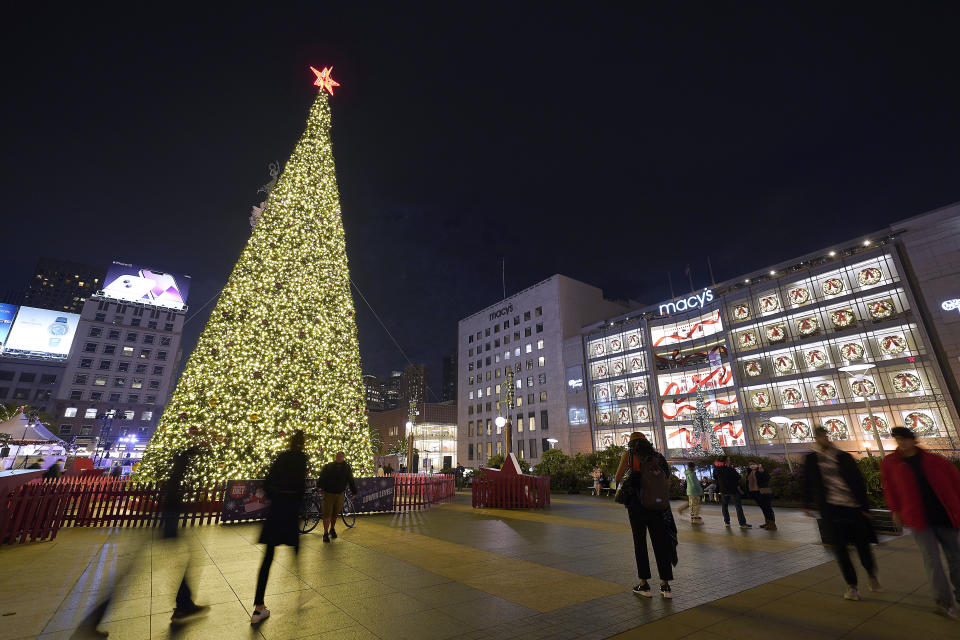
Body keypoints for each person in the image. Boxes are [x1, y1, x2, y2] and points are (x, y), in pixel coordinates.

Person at [881, 426, 960, 618]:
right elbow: (890, 488)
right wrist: (895, 510)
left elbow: (955, 482)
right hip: (918, 519)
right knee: (932, 560)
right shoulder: (890, 462)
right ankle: (943, 602)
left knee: (956, 558)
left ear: (914, 440)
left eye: (905, 439)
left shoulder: (934, 460)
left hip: (945, 516)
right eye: (898, 439)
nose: (901, 443)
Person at [803, 427, 880, 601]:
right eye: (820, 436)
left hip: (852, 508)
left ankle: (871, 573)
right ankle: (852, 586)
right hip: (830, 510)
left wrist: (865, 508)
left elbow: (859, 482)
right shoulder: (811, 459)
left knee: (862, 546)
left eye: (825, 436)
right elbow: (807, 481)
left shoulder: (843, 457)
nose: (823, 439)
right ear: (816, 439)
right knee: (840, 550)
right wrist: (806, 503)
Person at [251, 430, 308, 625]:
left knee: (267, 558)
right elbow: (301, 488)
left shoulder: (281, 457)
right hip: (290, 511)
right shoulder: (301, 459)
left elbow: (267, 483)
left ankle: (258, 608)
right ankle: (301, 590)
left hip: (276, 512)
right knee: (295, 551)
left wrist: (276, 498)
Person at [615, 432, 678, 598]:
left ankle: (644, 585)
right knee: (661, 543)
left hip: (636, 505)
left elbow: (617, 477)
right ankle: (665, 586)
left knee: (640, 542)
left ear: (631, 443)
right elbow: (667, 479)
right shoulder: (657, 456)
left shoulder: (629, 455)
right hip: (657, 505)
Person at [319, 450, 358, 543]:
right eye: (337, 456)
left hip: (339, 493)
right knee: (327, 514)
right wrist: (320, 487)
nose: (339, 457)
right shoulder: (328, 466)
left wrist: (354, 491)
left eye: (340, 456)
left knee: (335, 514)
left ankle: (332, 529)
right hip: (329, 493)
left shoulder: (346, 467)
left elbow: (350, 480)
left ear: (343, 457)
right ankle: (325, 533)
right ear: (335, 457)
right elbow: (322, 477)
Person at [714, 457, 750, 528]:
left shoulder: (716, 470)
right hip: (733, 490)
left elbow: (716, 480)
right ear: (725, 461)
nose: (730, 461)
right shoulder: (730, 469)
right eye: (728, 460)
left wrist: (717, 491)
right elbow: (738, 477)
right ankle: (742, 523)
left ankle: (727, 522)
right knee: (738, 507)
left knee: (724, 506)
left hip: (723, 491)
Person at [745, 461, 776, 530]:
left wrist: (762, 472)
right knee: (763, 508)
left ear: (756, 464)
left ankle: (772, 525)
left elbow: (767, 478)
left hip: (764, 491)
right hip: (755, 492)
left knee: (768, 508)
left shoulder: (761, 470)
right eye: (750, 464)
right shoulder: (749, 472)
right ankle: (768, 522)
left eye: (753, 464)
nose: (751, 465)